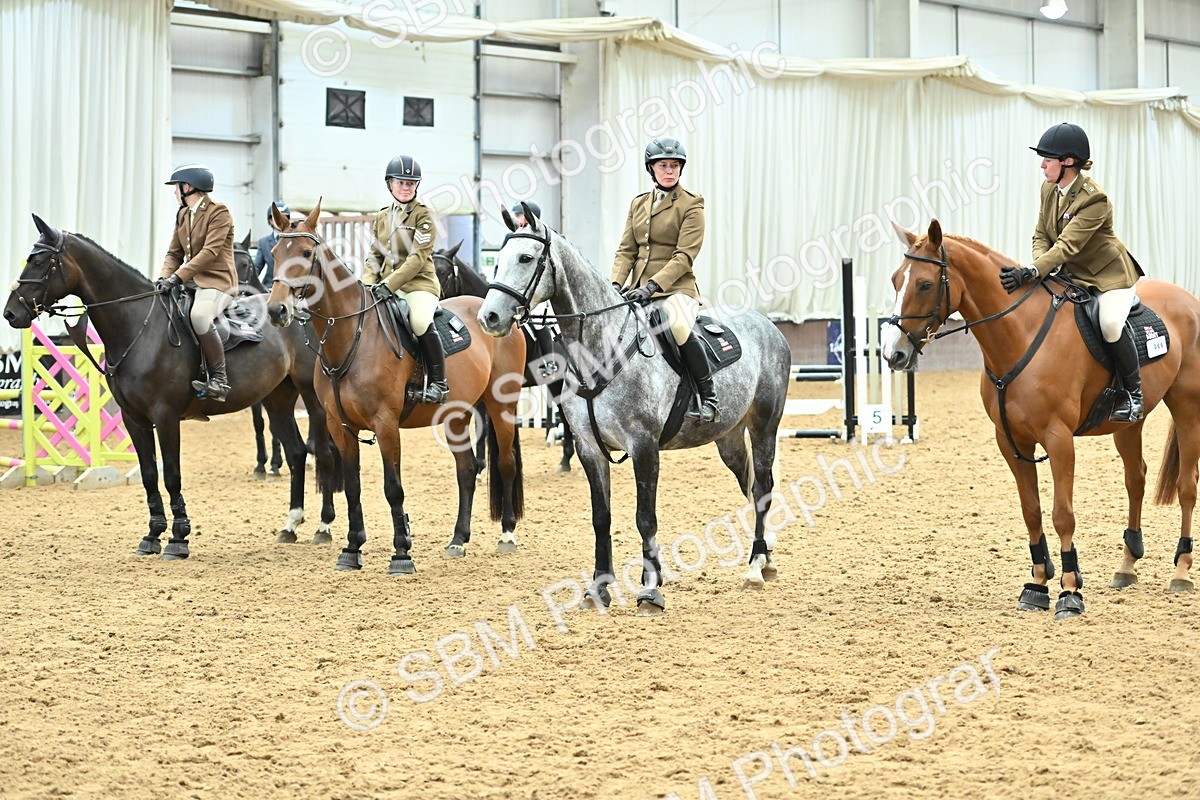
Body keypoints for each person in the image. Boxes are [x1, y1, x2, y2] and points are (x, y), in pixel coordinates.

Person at [1000, 122, 1144, 422]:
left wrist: (1032, 270)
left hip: (1108, 278)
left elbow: (1067, 245)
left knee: (1109, 324)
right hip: (1072, 274)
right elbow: (1041, 234)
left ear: (1067, 162)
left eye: (1047, 160)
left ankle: (1133, 395)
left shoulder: (1095, 199)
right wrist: (1038, 269)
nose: (1041, 166)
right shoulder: (1049, 189)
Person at [610, 137, 716, 423]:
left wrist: (653, 286)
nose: (669, 171)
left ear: (681, 169)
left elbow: (684, 256)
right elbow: (626, 250)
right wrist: (616, 285)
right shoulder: (639, 204)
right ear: (651, 169)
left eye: (674, 166)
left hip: (676, 289)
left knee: (678, 325)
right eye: (663, 166)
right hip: (637, 291)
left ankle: (707, 394)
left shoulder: (692, 204)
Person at [362, 154, 447, 404]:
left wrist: (389, 285)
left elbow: (417, 259)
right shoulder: (382, 216)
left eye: (410, 183)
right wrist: (367, 284)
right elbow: (375, 254)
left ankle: (439, 384)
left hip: (418, 286)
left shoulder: (423, 216)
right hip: (385, 286)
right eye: (400, 182)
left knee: (420, 322)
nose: (405, 187)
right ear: (390, 184)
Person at [158, 163, 238, 402]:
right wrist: (163, 278)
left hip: (218, 282)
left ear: (188, 187)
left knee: (200, 316)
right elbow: (174, 254)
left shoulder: (219, 212)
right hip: (190, 282)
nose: (175, 193)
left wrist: (177, 277)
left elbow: (209, 253)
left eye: (177, 188)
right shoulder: (183, 214)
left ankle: (219, 380)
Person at [253, 200, 290, 286]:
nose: (280, 221)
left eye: (284, 217)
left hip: (289, 287)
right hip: (269, 286)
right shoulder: (263, 242)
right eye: (276, 218)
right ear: (270, 220)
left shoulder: (294, 242)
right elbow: (257, 268)